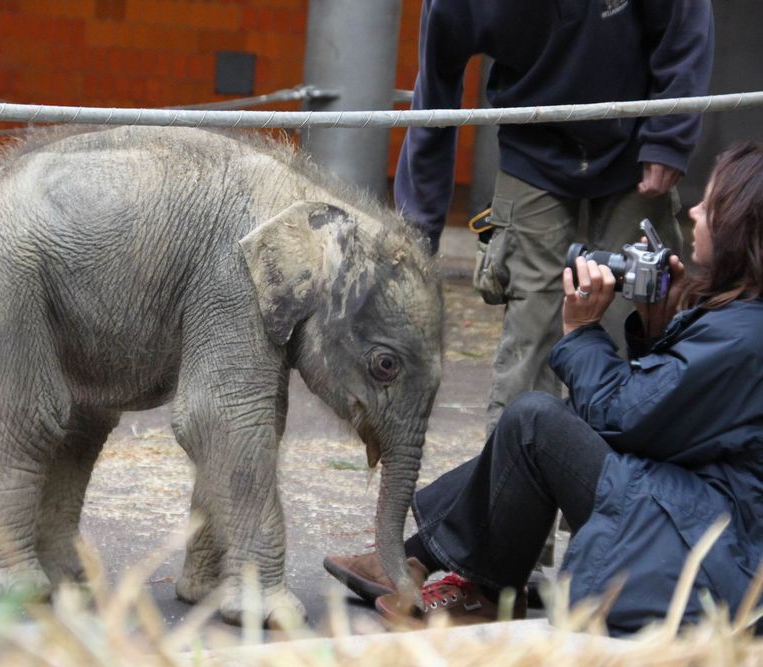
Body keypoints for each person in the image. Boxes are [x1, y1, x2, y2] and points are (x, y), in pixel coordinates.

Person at [326, 142, 763, 634]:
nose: (693, 212)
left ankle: (476, 586)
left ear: (740, 226)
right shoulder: (743, 318)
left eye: (710, 205)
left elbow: (623, 419)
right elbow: (673, 421)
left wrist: (581, 332)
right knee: (547, 425)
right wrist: (654, 331)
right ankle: (423, 563)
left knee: (535, 422)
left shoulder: (746, 335)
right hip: (702, 516)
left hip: (709, 549)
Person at [394, 0, 714, 431]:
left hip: (634, 138)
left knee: (634, 317)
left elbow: (685, 21)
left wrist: (669, 136)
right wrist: (417, 232)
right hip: (533, 143)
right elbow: (435, 99)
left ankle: (621, 471)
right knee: (531, 331)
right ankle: (516, 477)